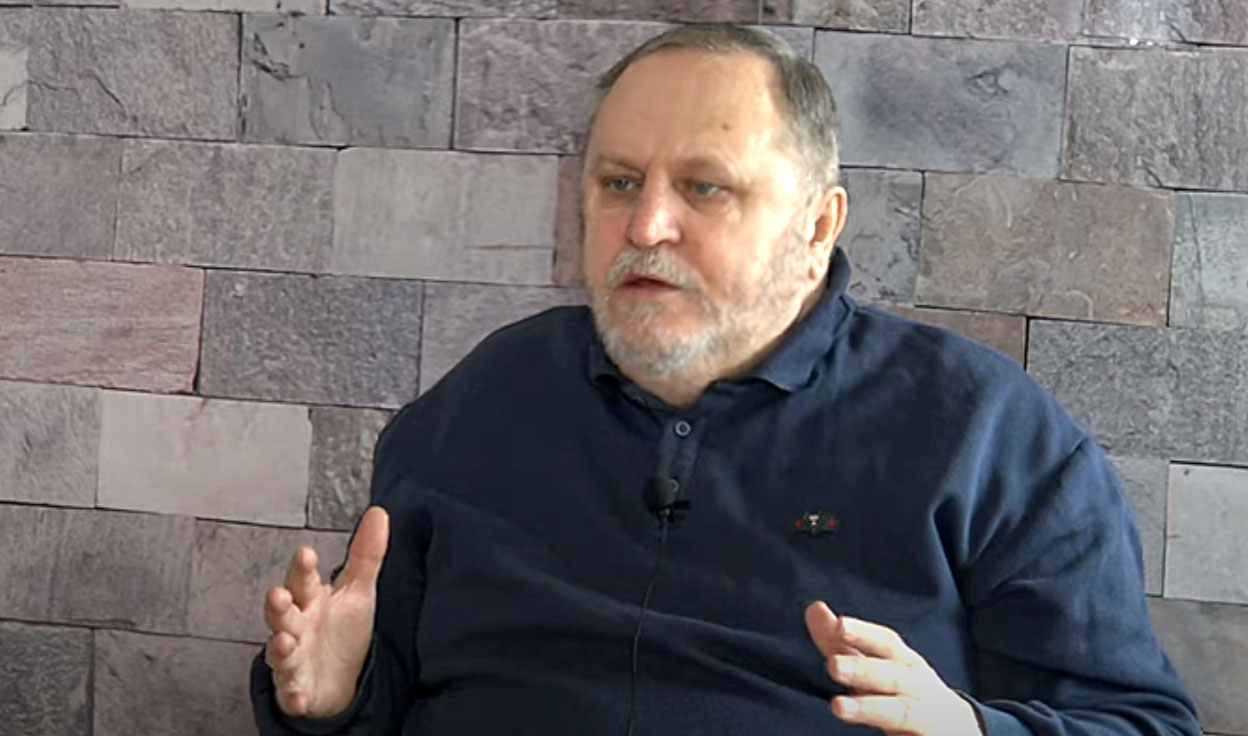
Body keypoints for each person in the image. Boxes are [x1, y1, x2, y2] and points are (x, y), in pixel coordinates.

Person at [250, 24, 1200, 736]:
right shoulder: (485, 400)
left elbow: (1141, 722)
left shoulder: (990, 436)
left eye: (705, 187)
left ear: (818, 226)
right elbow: (380, 694)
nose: (646, 225)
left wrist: (971, 730)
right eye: (619, 182)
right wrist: (330, 700)